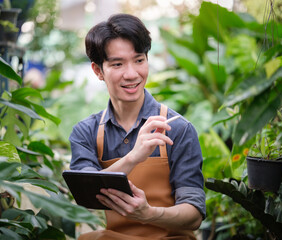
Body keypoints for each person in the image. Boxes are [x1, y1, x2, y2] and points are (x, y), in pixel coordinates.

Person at [69, 13, 205, 240]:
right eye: (118, 64)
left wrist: (149, 213)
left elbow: (194, 215)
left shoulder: (179, 128)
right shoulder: (87, 132)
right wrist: (134, 157)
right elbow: (87, 193)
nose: (132, 74)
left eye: (139, 60)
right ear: (98, 71)